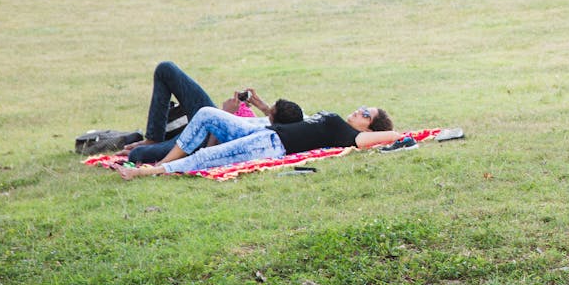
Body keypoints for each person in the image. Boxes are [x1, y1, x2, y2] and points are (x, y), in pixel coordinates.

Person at [117, 104, 400, 179]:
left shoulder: (350, 136)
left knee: (207, 159)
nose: (359, 111)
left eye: (367, 114)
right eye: (364, 107)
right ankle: (165, 162)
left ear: (370, 127)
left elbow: (389, 137)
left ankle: (148, 172)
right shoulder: (335, 120)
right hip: (264, 131)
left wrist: (404, 135)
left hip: (270, 146)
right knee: (206, 114)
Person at [122, 61, 303, 165]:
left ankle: (154, 145)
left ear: (275, 123)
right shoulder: (281, 123)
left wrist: (224, 115)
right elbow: (286, 118)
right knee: (165, 69)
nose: (267, 112)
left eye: (270, 113)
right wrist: (261, 106)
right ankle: (154, 136)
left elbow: (211, 151)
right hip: (209, 117)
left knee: (136, 156)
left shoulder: (263, 140)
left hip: (199, 141)